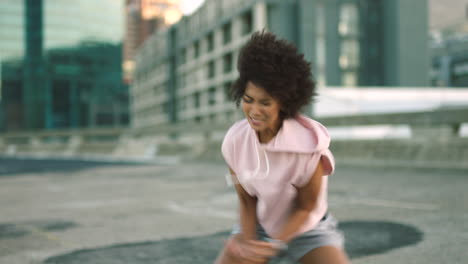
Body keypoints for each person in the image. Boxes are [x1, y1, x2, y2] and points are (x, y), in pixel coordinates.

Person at [214, 31, 350, 264]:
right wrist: (250, 245)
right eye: (248, 100)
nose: (254, 111)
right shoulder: (234, 142)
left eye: (265, 102)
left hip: (308, 231)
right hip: (259, 227)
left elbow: (306, 208)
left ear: (284, 103)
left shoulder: (309, 148)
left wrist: (274, 246)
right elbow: (247, 201)